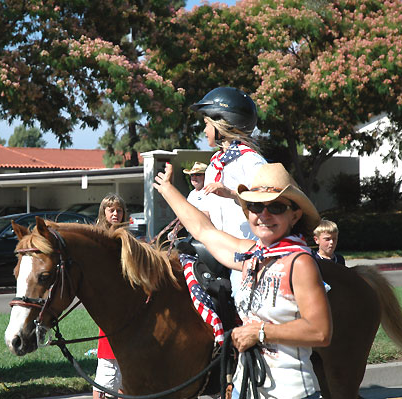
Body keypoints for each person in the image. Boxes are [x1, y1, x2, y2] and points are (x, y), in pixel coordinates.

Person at [154, 162, 332, 399]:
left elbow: (320, 331)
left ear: (295, 215)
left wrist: (259, 333)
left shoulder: (299, 263)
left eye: (276, 207)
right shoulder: (251, 256)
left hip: (291, 393)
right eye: (256, 206)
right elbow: (203, 230)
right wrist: (166, 188)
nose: (264, 215)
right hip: (245, 389)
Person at [190, 87, 267, 294]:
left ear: (221, 124)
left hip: (247, 254)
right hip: (218, 251)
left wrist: (232, 193)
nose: (204, 131)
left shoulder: (250, 160)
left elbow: (266, 201)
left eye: (207, 124)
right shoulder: (214, 163)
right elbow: (208, 211)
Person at [93, 193, 126, 398]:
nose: (115, 213)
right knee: (107, 365)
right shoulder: (98, 237)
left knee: (125, 372)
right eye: (111, 209)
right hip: (108, 304)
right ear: (103, 212)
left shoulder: (126, 236)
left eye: (119, 210)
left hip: (126, 303)